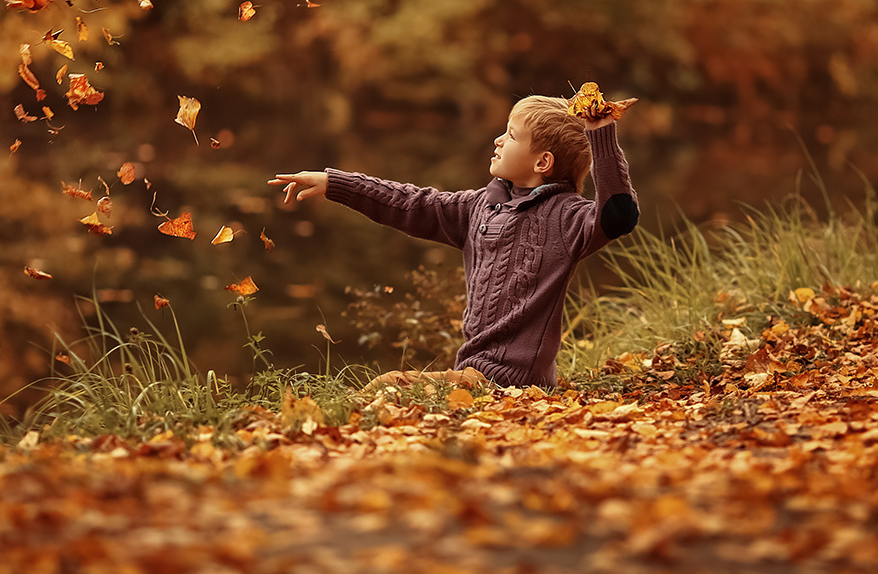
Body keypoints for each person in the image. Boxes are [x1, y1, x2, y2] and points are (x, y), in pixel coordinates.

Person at [268, 94, 639, 389]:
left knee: (388, 386)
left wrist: (601, 134)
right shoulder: (480, 207)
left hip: (514, 382)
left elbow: (618, 215)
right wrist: (336, 184)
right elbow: (411, 204)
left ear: (542, 162)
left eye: (510, 135)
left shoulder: (567, 219)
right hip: (475, 373)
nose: (497, 140)